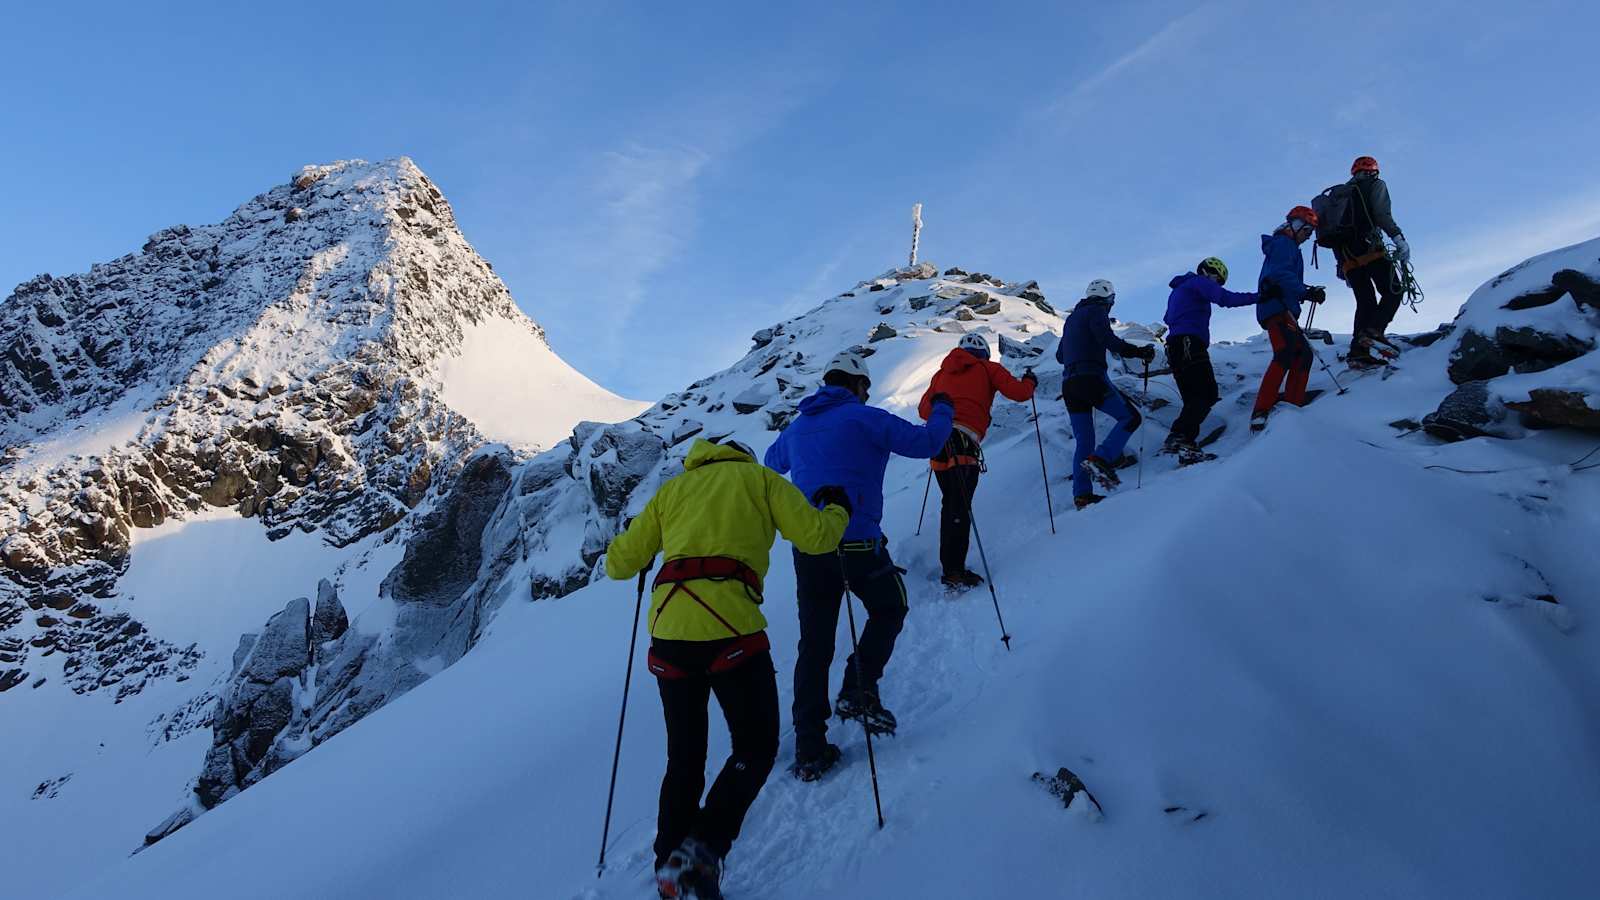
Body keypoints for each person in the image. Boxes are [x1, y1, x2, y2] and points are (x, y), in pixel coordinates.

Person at [604, 437, 851, 900]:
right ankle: (701, 849)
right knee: (756, 747)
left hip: (668, 632)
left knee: (684, 757)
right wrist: (838, 508)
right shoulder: (759, 480)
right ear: (743, 457)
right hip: (730, 629)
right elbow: (818, 537)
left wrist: (643, 540)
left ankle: (669, 868)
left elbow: (619, 565)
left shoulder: (672, 491)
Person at [764, 350, 954, 781]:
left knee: (814, 644)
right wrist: (943, 407)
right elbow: (927, 443)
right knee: (890, 607)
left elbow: (772, 464)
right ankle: (858, 689)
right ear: (857, 385)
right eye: (865, 388)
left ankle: (810, 748)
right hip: (858, 542)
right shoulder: (865, 419)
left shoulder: (797, 427)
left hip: (811, 550)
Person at [915, 332, 1037, 589]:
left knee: (951, 505)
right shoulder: (987, 368)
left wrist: (944, 407)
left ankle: (951, 567)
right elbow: (1019, 393)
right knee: (959, 508)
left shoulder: (941, 374)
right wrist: (1029, 381)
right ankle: (954, 572)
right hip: (964, 443)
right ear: (984, 352)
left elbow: (923, 410)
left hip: (938, 443)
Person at [1056, 279, 1157, 508]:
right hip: (1090, 378)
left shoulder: (1072, 319)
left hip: (1069, 385)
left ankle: (1082, 494)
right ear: (1109, 299)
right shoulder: (1097, 311)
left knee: (1084, 440)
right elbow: (1107, 340)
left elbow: (1061, 356)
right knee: (1131, 417)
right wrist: (1138, 351)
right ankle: (1101, 458)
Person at [1162, 257, 1257, 463]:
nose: (1217, 283)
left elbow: (1168, 318)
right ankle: (1179, 437)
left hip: (1176, 347)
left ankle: (1186, 449)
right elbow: (1226, 299)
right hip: (1189, 343)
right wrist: (1260, 297)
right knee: (1207, 393)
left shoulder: (1180, 289)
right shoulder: (1198, 282)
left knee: (1193, 398)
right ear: (1206, 272)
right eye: (1217, 278)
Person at [1251, 206, 1327, 432]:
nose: (1308, 236)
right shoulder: (1284, 244)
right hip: (1276, 307)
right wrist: (1305, 292)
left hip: (1280, 307)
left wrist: (1304, 291)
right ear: (1296, 225)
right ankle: (1262, 410)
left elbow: (1282, 275)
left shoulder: (1287, 245)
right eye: (1307, 230)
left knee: (1302, 354)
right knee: (1286, 352)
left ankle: (1291, 407)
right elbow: (1281, 274)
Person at [1337, 156, 1409, 367]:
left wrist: (1341, 266)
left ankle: (1358, 353)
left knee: (1365, 302)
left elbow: (1333, 235)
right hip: (1371, 251)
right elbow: (1381, 213)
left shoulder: (1340, 195)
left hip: (1347, 258)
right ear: (1374, 171)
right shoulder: (1375, 184)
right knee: (1393, 290)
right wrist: (1398, 237)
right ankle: (1374, 331)